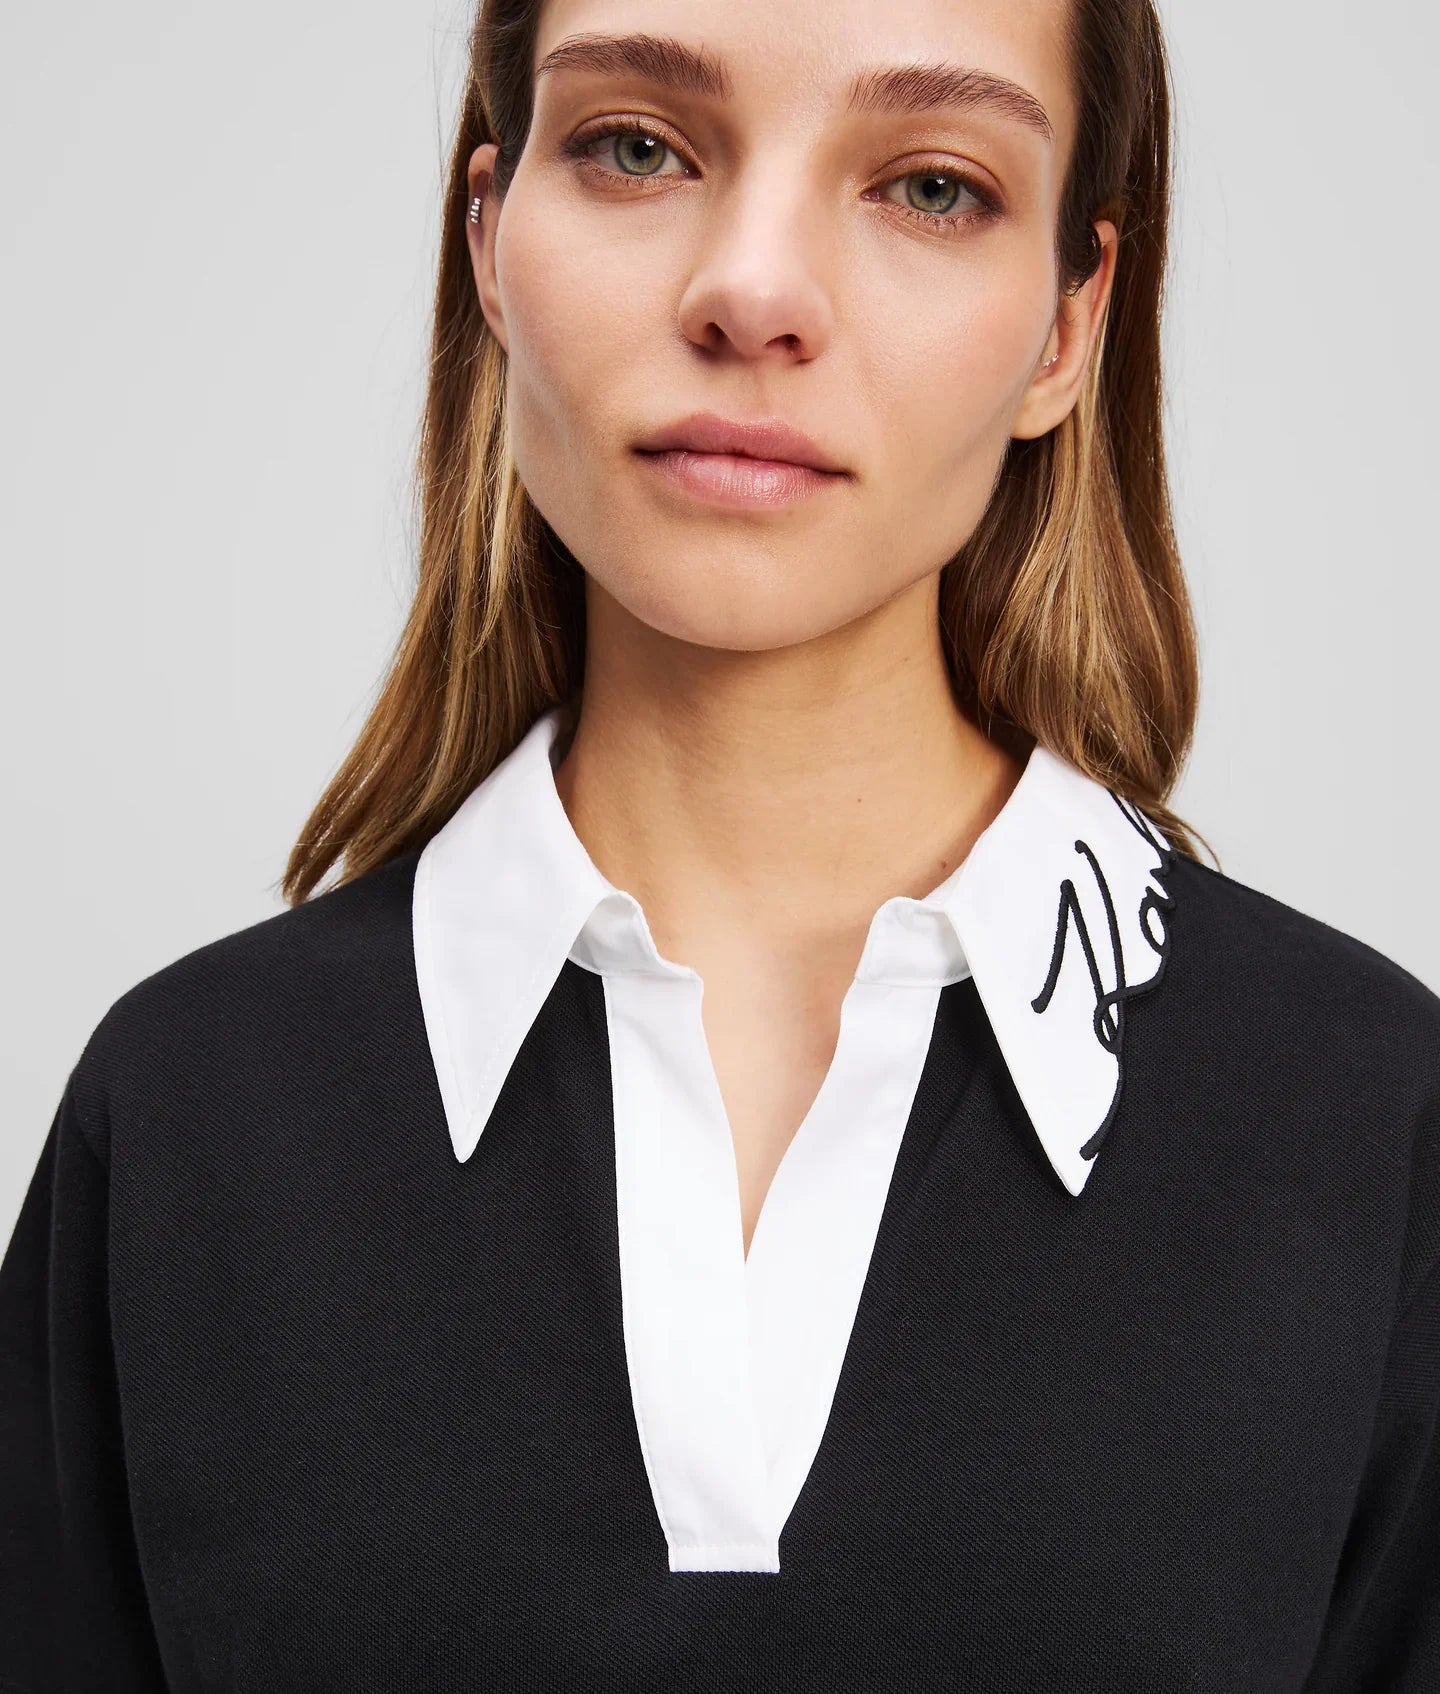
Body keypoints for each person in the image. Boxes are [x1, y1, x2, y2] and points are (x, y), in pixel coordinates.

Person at [2, 0, 1437, 1687]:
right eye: (636, 148)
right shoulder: (181, 1121)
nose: (754, 294)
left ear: (1069, 324)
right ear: (488, 238)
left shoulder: (1375, 1122)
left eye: (931, 186)